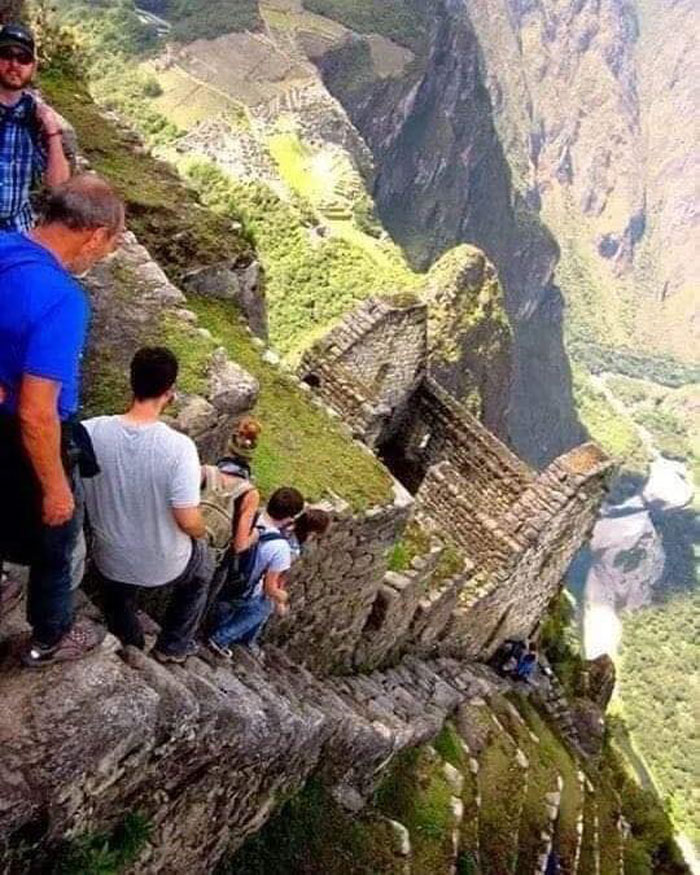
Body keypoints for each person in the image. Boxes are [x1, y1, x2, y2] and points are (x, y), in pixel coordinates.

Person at [0, 174, 124, 667]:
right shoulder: (61, 300)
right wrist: (55, 488)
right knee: (58, 538)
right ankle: (49, 637)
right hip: (23, 434)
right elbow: (37, 413)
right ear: (95, 235)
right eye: (110, 244)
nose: (105, 254)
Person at [82, 347, 214, 664]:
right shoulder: (179, 448)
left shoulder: (88, 432)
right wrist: (203, 532)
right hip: (165, 564)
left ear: (131, 381)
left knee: (118, 594)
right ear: (169, 392)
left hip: (109, 559)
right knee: (203, 568)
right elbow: (187, 519)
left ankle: (131, 642)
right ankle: (173, 645)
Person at [208, 487, 304, 659]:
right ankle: (221, 639)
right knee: (264, 606)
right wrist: (282, 597)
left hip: (221, 577)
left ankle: (215, 627)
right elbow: (269, 588)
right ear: (291, 517)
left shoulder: (250, 516)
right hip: (240, 591)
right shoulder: (281, 548)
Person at [0, 22, 71, 231]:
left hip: (17, 228)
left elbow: (58, 186)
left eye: (23, 58)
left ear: (33, 67)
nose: (14, 64)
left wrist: (52, 132)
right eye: (6, 55)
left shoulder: (35, 117)